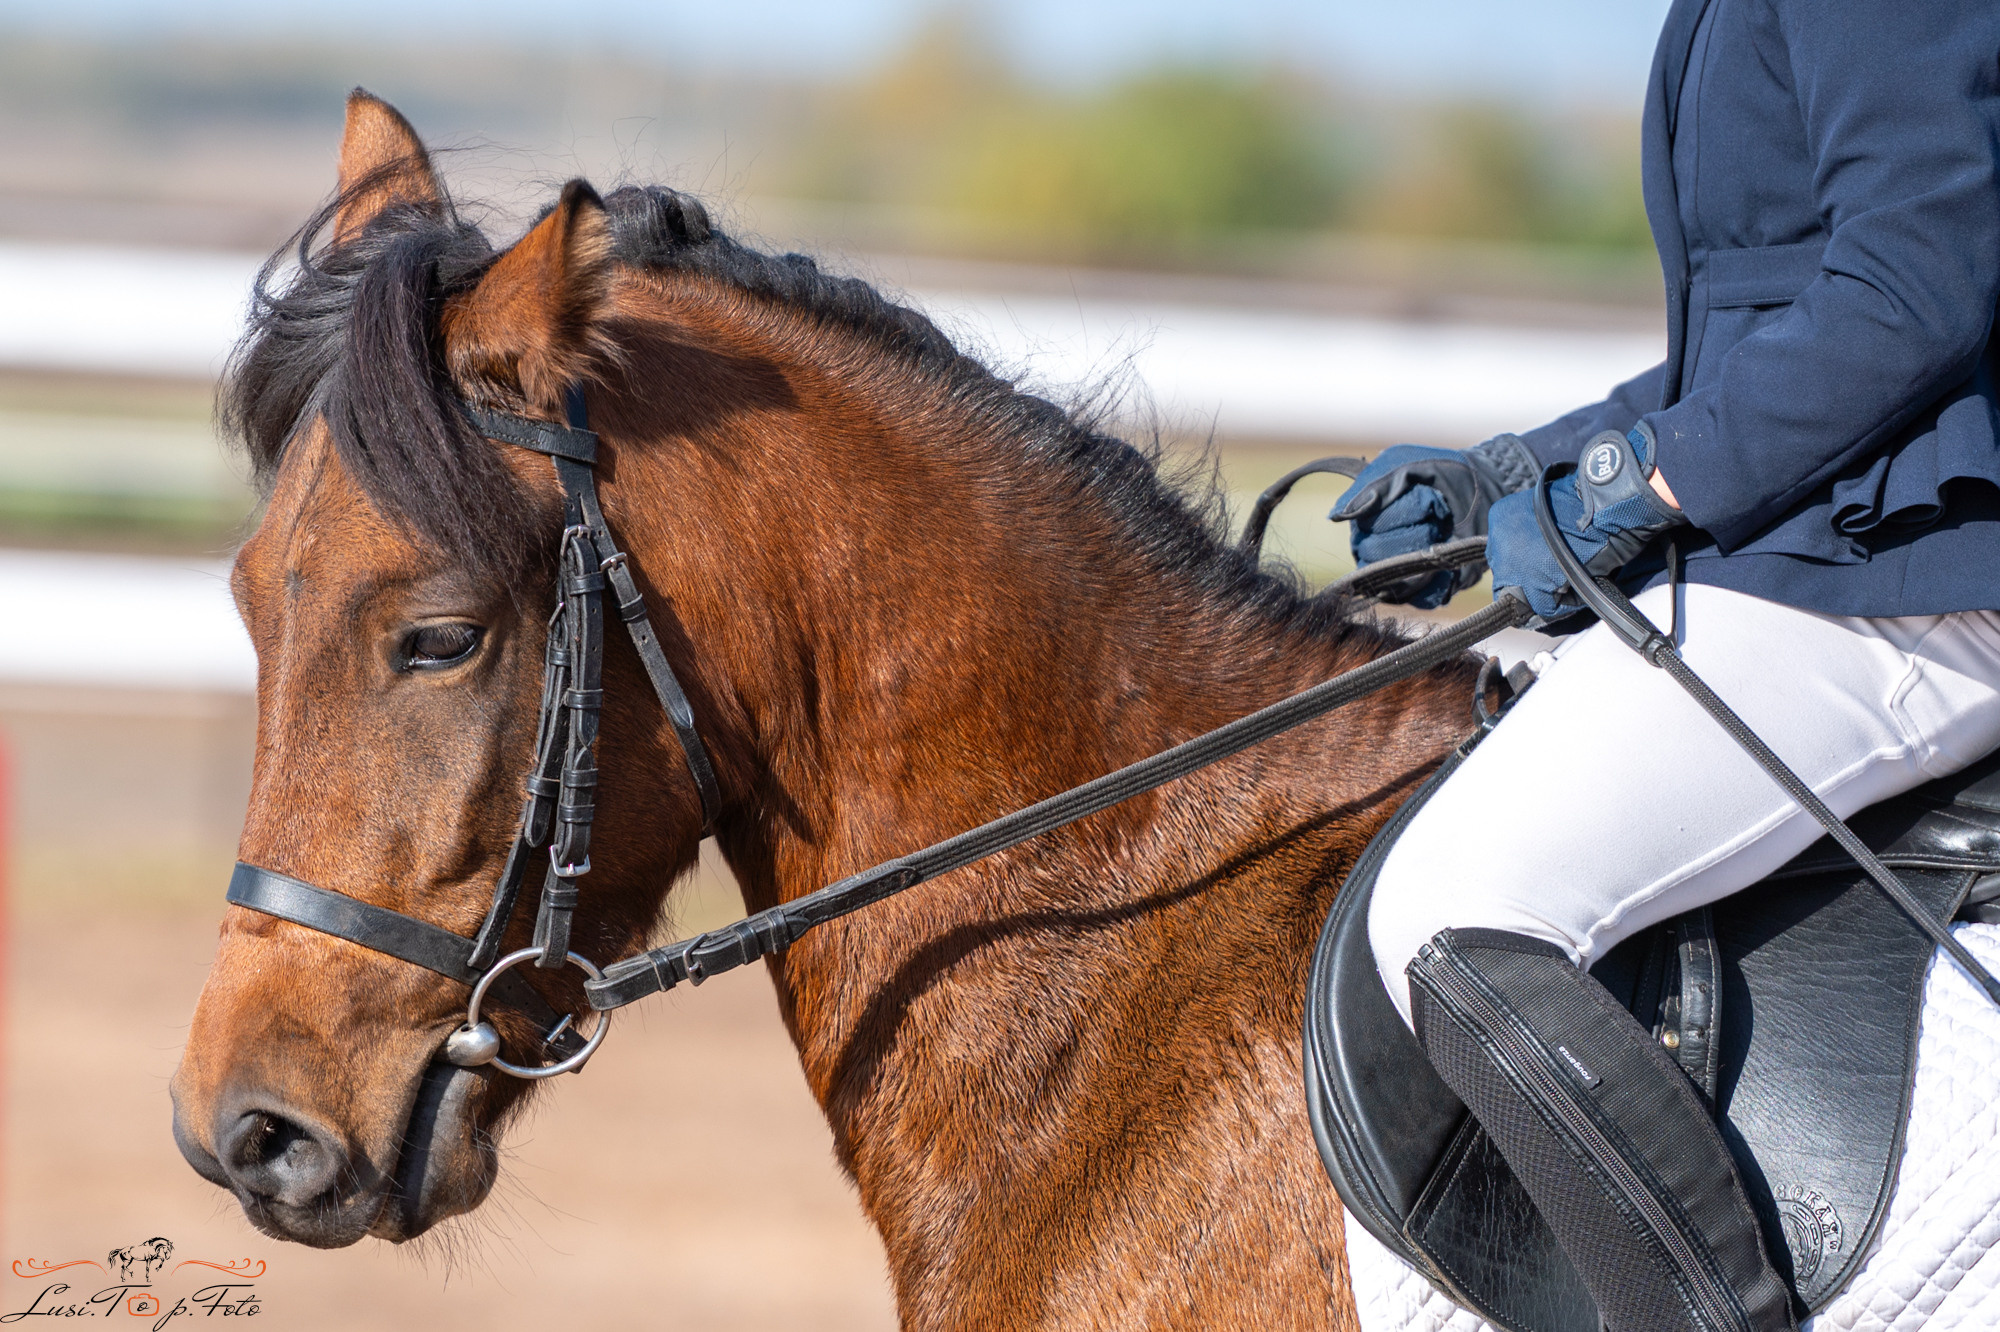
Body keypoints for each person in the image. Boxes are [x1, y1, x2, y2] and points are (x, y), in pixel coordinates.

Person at [1326, 2, 2000, 1330]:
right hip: (1823, 554)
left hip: (1905, 577)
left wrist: (1647, 486)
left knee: (1465, 905)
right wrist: (1523, 472)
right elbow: (1762, 328)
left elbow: (1916, 281)